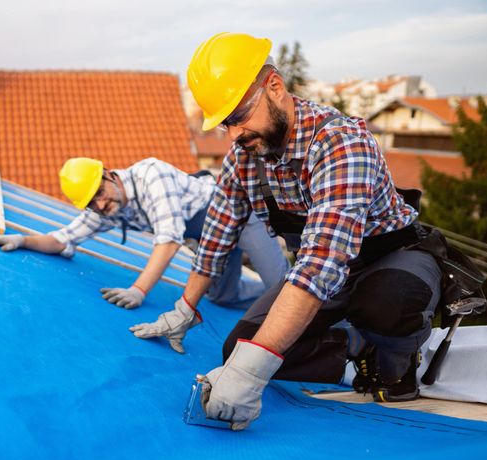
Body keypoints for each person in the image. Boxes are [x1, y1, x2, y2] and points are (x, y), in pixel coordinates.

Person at [131, 32, 443, 430]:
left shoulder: (340, 143)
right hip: (329, 274)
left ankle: (395, 363)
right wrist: (185, 308)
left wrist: (251, 374)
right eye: (225, 123)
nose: (233, 134)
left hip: (390, 258)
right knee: (236, 349)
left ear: (273, 87)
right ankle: (355, 346)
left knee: (388, 304)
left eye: (238, 116)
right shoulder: (246, 157)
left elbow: (320, 263)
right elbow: (217, 234)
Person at [0, 157, 288, 315]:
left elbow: (169, 239)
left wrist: (138, 290)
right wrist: (22, 240)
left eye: (98, 194)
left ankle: (335, 335)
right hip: (211, 239)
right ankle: (267, 300)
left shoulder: (152, 174)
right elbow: (62, 239)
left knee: (286, 290)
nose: (98, 204)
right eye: (90, 203)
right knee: (222, 297)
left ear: (109, 174)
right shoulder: (108, 207)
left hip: (238, 216)